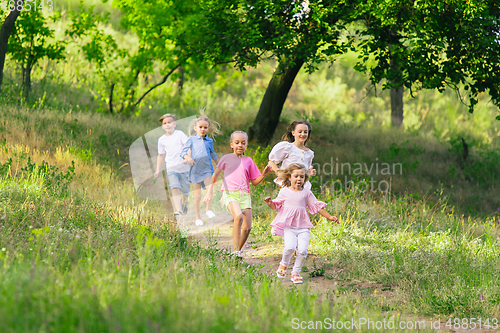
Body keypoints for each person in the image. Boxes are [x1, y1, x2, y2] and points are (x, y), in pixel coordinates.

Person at [264, 163, 338, 284]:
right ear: (289, 177)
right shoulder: (284, 191)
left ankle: (295, 272)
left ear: (305, 178)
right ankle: (283, 265)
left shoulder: (306, 193)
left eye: (302, 177)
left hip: (303, 227)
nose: (299, 179)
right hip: (289, 226)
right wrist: (269, 203)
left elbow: (317, 206)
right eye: (296, 176)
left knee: (303, 251)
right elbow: (275, 206)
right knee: (290, 247)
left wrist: (330, 217)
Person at [204, 131, 272, 257]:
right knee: (238, 217)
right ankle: (236, 250)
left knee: (247, 228)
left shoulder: (248, 161)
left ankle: (236, 252)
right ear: (231, 145)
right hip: (230, 194)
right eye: (237, 143)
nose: (240, 145)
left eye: (243, 143)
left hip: (244, 195)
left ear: (247, 146)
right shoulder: (226, 159)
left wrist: (263, 175)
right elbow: (215, 175)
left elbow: (255, 182)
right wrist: (209, 192)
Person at [181, 111, 220, 226]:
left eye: (205, 127)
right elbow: (183, 152)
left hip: (207, 169)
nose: (202, 129)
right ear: (195, 128)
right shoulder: (191, 139)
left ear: (208, 129)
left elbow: (213, 154)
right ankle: (198, 217)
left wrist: (219, 164)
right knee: (197, 195)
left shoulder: (209, 141)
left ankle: (208, 210)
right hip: (195, 170)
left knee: (210, 190)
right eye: (200, 127)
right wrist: (188, 157)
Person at [154, 113, 190, 217]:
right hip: (171, 167)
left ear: (174, 124)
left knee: (186, 191)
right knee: (175, 188)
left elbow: (188, 146)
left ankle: (184, 202)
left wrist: (188, 158)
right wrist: (157, 170)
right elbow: (160, 155)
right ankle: (178, 210)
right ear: (162, 126)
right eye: (165, 123)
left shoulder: (180, 134)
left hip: (183, 166)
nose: (167, 125)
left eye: (169, 122)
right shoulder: (161, 140)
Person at [268, 120, 316, 190]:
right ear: (293, 133)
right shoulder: (287, 147)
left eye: (305, 132)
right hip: (287, 185)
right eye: (300, 132)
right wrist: (279, 172)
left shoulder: (309, 153)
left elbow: (306, 171)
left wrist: (310, 172)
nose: (303, 134)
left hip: (301, 186)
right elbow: (271, 161)